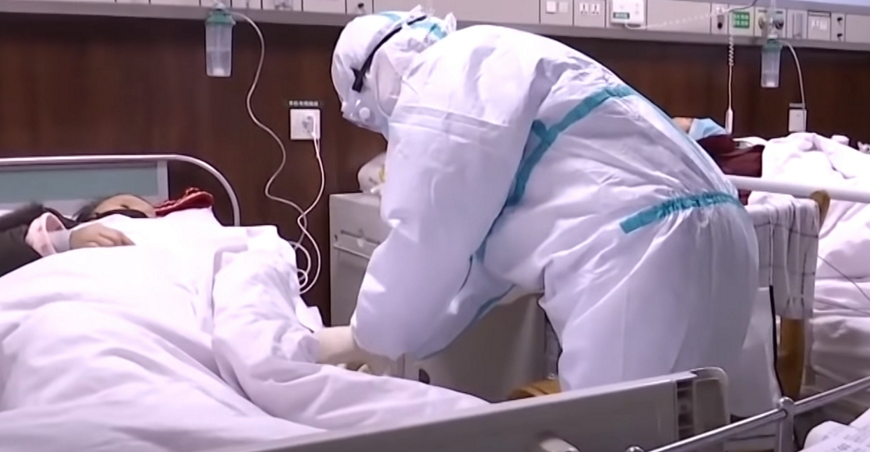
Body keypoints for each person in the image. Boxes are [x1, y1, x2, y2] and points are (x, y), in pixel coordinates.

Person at [318, 8, 760, 391]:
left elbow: (424, 238)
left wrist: (367, 335)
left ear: (369, 83)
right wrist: (386, 338)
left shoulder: (441, 78)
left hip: (643, 249)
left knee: (622, 441)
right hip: (725, 229)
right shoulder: (501, 58)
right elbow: (474, 271)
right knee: (692, 430)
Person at [0, 194, 154, 301]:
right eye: (126, 206)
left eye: (147, 216)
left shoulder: (168, 235)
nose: (137, 215)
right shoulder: (42, 227)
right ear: (92, 212)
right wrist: (61, 241)